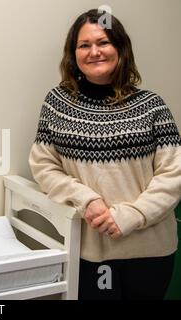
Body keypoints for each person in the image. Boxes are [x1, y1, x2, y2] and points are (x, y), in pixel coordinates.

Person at [28, 9, 181, 300]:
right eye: (84, 45)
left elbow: (174, 174)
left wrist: (131, 215)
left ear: (120, 48)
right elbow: (44, 166)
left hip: (150, 250)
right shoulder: (57, 103)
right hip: (90, 250)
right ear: (73, 55)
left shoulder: (153, 105)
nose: (94, 51)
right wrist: (87, 199)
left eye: (104, 42)